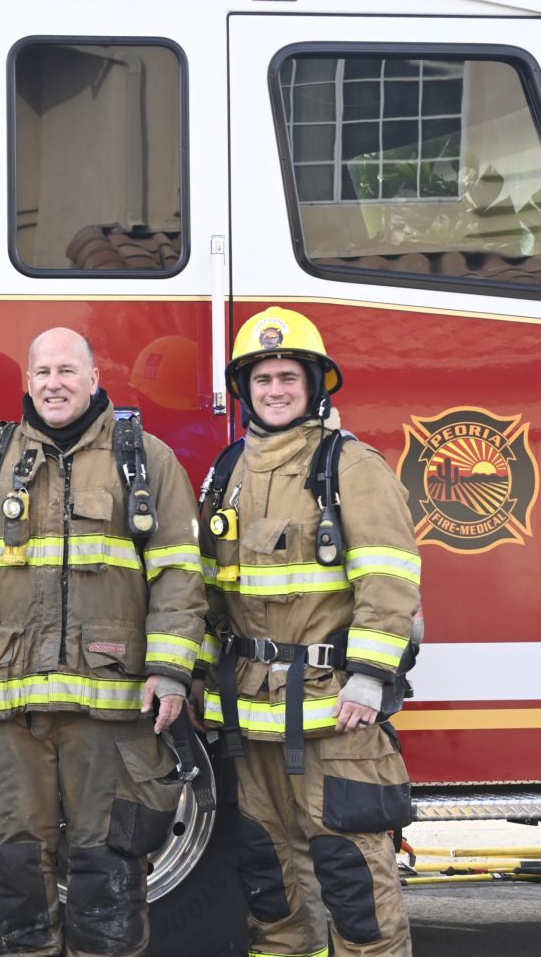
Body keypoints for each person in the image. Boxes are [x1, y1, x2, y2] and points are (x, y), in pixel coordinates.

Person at [0, 327, 207, 957]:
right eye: (43, 372)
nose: (54, 383)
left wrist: (171, 670)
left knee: (110, 873)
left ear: (94, 379)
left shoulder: (146, 460)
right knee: (8, 872)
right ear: (28, 381)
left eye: (68, 371)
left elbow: (180, 575)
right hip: (8, 713)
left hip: (111, 713)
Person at [194, 306, 420, 957]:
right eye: (262, 378)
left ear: (314, 384)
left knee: (354, 881)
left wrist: (371, 678)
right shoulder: (229, 471)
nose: (275, 390)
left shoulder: (350, 465)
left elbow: (390, 578)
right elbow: (208, 591)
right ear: (245, 390)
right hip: (250, 718)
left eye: (288, 376)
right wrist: (200, 676)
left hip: (335, 714)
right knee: (270, 884)